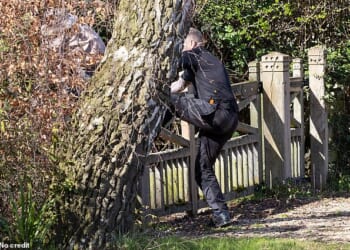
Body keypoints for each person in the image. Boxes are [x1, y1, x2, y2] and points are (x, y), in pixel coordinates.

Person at [169, 27, 239, 227]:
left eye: (183, 45)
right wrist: (168, 88)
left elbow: (173, 62)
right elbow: (179, 85)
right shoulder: (208, 61)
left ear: (191, 44)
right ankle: (221, 215)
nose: (183, 49)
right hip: (229, 119)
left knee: (166, 98)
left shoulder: (195, 54)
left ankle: (150, 131)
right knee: (202, 169)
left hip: (215, 114)